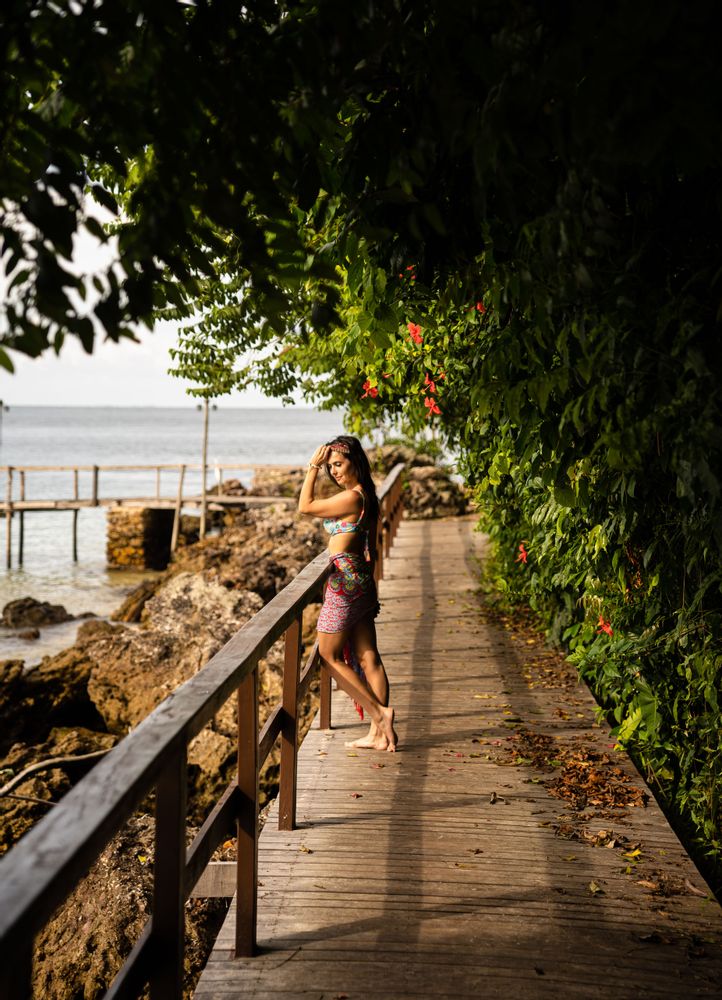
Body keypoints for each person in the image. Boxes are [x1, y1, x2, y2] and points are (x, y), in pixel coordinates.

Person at [298, 435, 397, 751]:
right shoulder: (368, 496)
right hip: (361, 581)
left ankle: (379, 714)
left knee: (327, 655)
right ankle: (378, 735)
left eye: (338, 464)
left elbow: (305, 506)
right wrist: (369, 588)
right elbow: (372, 549)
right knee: (369, 658)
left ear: (356, 462)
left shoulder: (353, 498)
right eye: (330, 467)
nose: (334, 471)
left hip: (345, 585)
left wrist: (312, 467)